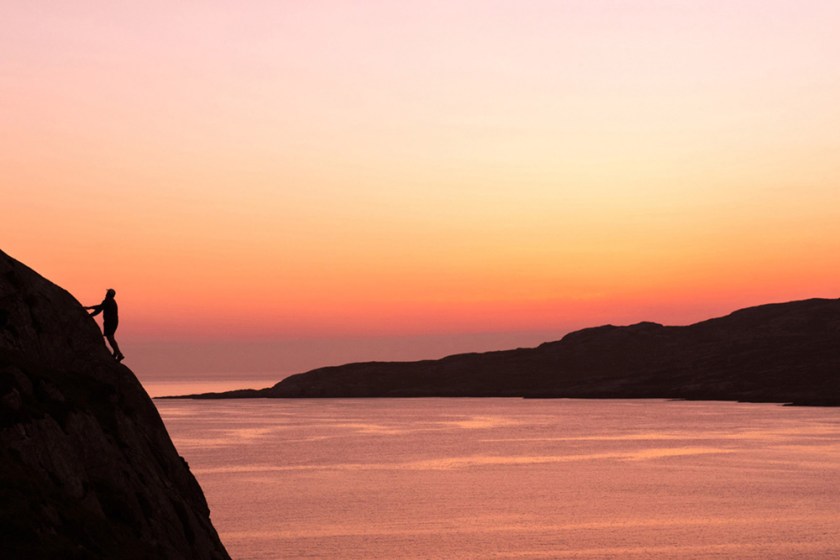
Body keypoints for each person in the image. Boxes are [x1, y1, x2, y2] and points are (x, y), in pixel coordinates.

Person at [86, 288, 124, 362]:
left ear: (108, 295)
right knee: (111, 337)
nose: (105, 295)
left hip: (110, 322)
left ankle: (119, 353)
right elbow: (100, 307)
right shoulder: (112, 301)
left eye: (107, 294)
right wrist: (90, 308)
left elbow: (99, 309)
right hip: (113, 322)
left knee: (110, 338)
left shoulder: (107, 301)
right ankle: (117, 353)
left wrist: (90, 314)